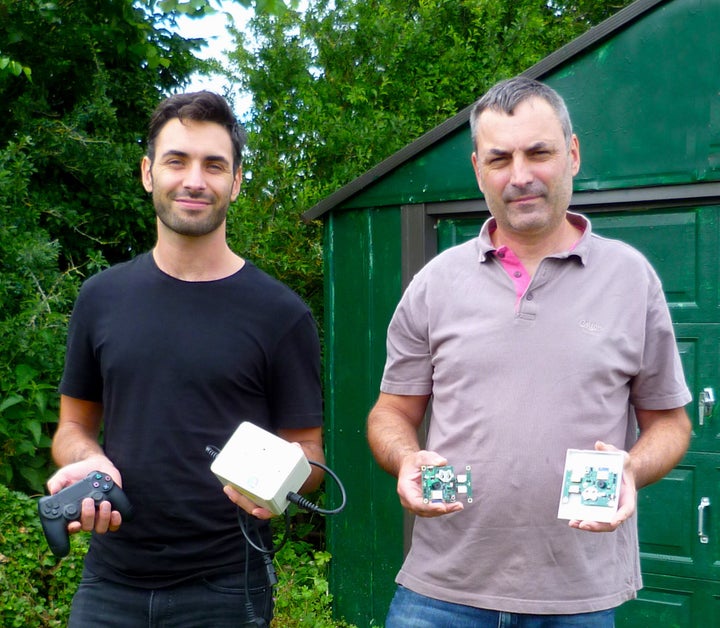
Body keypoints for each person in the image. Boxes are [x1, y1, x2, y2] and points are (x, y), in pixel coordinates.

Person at [366, 76, 692, 628]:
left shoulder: (630, 278)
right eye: (499, 159)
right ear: (478, 168)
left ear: (572, 154)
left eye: (538, 152)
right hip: (440, 592)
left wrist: (631, 469)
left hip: (578, 599)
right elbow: (391, 413)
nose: (520, 176)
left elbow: (671, 423)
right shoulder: (435, 282)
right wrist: (405, 458)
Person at [47, 91, 325, 627]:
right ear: (149, 173)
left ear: (236, 181)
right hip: (109, 584)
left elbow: (310, 455)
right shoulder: (100, 298)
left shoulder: (280, 314)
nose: (194, 180)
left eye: (214, 165)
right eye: (177, 161)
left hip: (226, 588)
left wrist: (279, 483)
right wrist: (85, 457)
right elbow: (71, 427)